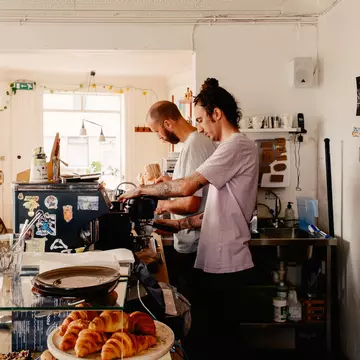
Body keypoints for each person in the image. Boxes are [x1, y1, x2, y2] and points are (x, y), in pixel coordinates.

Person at [119, 78, 259, 358]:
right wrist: (174, 223)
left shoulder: (237, 146)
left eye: (201, 120)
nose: (200, 128)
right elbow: (214, 210)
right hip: (217, 260)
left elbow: (186, 188)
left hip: (227, 263)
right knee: (208, 337)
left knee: (220, 342)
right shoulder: (227, 149)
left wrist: (143, 190)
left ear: (216, 114)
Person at [146, 101, 216, 301]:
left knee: (191, 309)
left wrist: (161, 205)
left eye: (156, 130)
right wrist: (171, 182)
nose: (158, 137)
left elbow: (191, 204)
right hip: (192, 242)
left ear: (168, 124)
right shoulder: (192, 144)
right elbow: (191, 187)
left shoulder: (195, 145)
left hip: (194, 246)